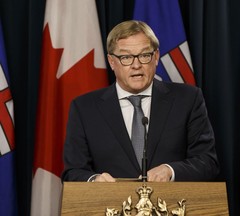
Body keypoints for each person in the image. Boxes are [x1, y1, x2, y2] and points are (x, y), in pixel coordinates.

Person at [61, 20, 219, 182]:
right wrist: (94, 181)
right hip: (110, 205)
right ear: (111, 62)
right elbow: (73, 172)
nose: (136, 65)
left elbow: (208, 162)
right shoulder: (85, 108)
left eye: (144, 55)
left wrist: (170, 171)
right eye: (126, 57)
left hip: (172, 205)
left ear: (156, 57)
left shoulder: (188, 99)